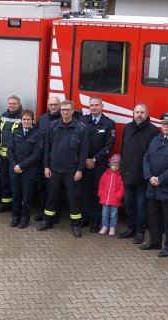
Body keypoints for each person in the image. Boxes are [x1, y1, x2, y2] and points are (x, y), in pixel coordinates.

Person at [39, 100, 88, 238]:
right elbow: (47, 148)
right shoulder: (53, 126)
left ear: (73, 110)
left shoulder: (81, 128)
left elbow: (83, 151)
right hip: (54, 168)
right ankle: (48, 221)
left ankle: (76, 225)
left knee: (74, 198)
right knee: (51, 196)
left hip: (72, 170)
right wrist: (46, 166)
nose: (65, 112)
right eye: (63, 110)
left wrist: (80, 170)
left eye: (67, 109)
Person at [141, 112, 168, 258]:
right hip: (153, 186)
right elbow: (146, 158)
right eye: (163, 123)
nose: (165, 126)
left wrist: (161, 179)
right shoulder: (156, 139)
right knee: (154, 216)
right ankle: (155, 241)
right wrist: (150, 176)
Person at [118, 103, 158, 243]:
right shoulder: (128, 127)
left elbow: (153, 155)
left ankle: (140, 232)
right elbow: (123, 149)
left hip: (142, 176)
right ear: (133, 114)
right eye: (137, 112)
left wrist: (148, 173)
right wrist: (122, 166)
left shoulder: (153, 130)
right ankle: (131, 228)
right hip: (128, 174)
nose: (139, 115)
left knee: (141, 206)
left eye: (142, 112)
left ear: (147, 114)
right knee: (129, 204)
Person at [80, 96, 116, 233]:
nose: (93, 107)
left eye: (96, 105)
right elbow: (78, 141)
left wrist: (94, 160)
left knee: (96, 192)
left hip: (98, 164)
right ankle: (85, 217)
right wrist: (84, 160)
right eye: (91, 105)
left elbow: (109, 145)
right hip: (83, 162)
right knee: (84, 191)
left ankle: (95, 220)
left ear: (102, 106)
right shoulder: (83, 120)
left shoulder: (109, 123)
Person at [7, 109, 43, 229]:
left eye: (28, 119)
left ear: (32, 121)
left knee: (27, 196)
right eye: (24, 119)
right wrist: (15, 165)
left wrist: (21, 166)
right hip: (15, 170)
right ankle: (15, 217)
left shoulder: (37, 135)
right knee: (16, 194)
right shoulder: (15, 132)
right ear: (21, 120)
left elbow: (36, 155)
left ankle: (24, 219)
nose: (26, 121)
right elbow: (10, 151)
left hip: (29, 171)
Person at [34, 96, 61, 222]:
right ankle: (42, 210)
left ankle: (55, 214)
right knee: (42, 188)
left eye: (55, 104)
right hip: (42, 160)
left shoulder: (64, 119)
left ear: (59, 105)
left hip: (56, 160)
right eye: (51, 104)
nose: (53, 107)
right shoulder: (42, 119)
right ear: (47, 105)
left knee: (55, 189)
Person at [0, 95, 23, 213]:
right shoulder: (3, 116)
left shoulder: (24, 117)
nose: (12, 105)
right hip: (4, 156)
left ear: (19, 105)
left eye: (14, 104)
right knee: (4, 180)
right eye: (10, 103)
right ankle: (5, 203)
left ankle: (16, 205)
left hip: (16, 158)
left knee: (15, 182)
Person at [98, 154, 124, 236]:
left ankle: (112, 227)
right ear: (110, 165)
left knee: (114, 214)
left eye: (117, 165)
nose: (115, 167)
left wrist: (118, 196)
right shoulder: (105, 174)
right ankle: (104, 226)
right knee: (104, 213)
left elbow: (122, 187)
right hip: (105, 198)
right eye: (113, 165)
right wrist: (100, 193)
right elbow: (101, 184)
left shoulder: (120, 176)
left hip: (115, 199)